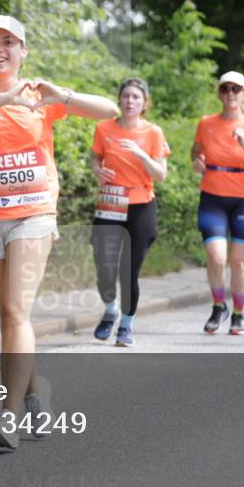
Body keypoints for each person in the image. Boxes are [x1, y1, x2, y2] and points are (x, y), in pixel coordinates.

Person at [0, 15, 118, 448]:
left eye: (9, 42)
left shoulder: (40, 96)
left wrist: (64, 95)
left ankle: (9, 417)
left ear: (24, 51)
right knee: (10, 317)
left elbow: (109, 110)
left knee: (17, 311)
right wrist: (0, 102)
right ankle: (38, 396)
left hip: (33, 214)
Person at [192, 71, 244, 336]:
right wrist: (197, 161)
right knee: (216, 258)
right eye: (226, 88)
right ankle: (218, 307)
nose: (230, 94)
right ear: (219, 93)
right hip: (213, 197)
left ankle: (239, 314)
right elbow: (196, 150)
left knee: (238, 262)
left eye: (236, 89)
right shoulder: (206, 123)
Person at [90, 78, 170, 347]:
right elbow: (95, 157)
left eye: (136, 97)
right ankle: (111, 310)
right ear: (119, 99)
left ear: (145, 102)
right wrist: (97, 169)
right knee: (104, 267)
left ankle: (126, 325)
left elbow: (161, 174)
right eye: (126, 96)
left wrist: (141, 154)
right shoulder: (104, 128)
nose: (130, 101)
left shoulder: (153, 133)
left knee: (129, 271)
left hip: (141, 204)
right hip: (111, 202)